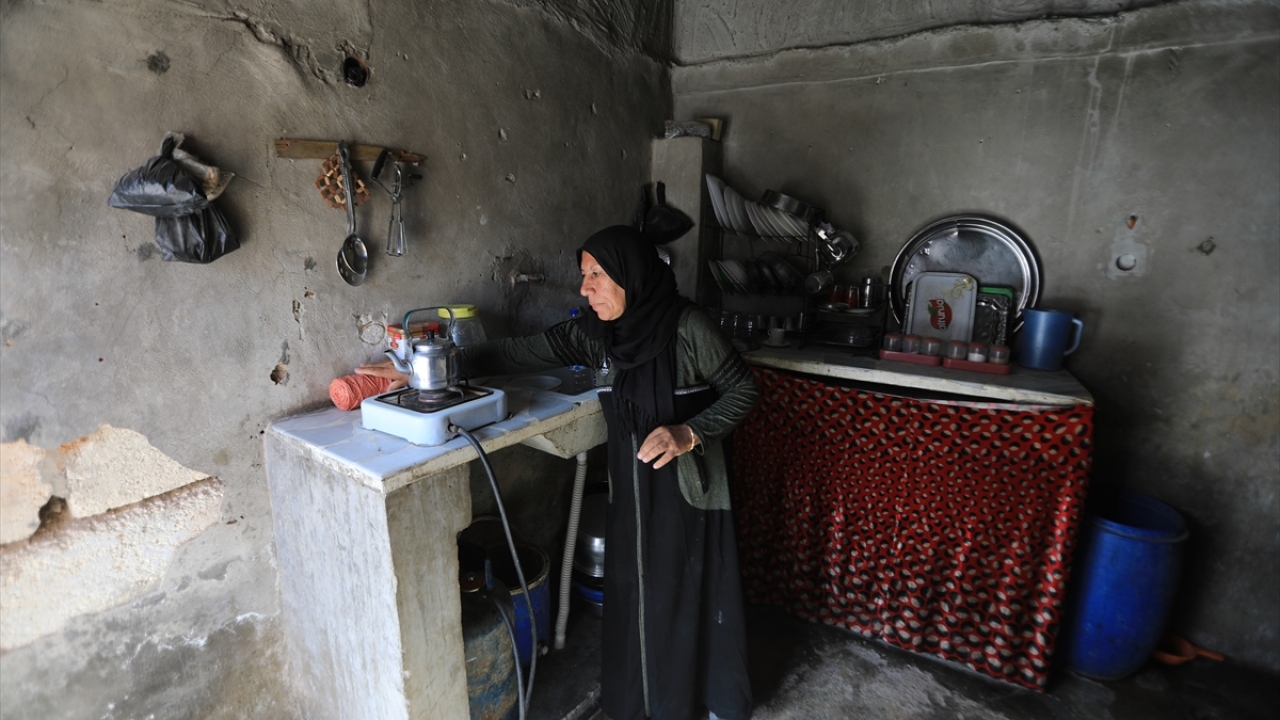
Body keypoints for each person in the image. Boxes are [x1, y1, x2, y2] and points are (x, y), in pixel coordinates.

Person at [359, 225, 760, 720]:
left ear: (632, 274)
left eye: (596, 274)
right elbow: (516, 353)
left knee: (687, 590)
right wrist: (432, 369)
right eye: (583, 274)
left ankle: (702, 700)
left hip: (688, 488)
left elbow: (744, 390)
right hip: (633, 490)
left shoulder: (689, 328)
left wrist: (689, 433)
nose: (584, 287)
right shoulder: (599, 339)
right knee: (637, 595)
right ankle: (646, 703)